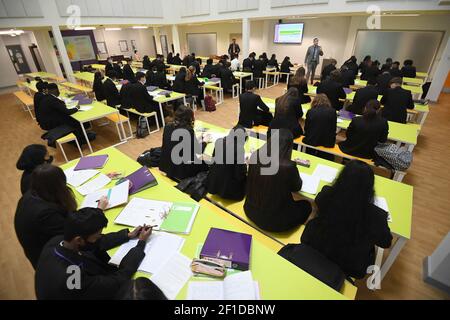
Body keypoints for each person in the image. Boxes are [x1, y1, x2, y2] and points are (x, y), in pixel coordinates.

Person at [35, 207, 153, 299]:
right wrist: (141, 244)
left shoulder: (58, 241)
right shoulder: (73, 278)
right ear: (79, 240)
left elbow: (99, 242)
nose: (98, 238)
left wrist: (128, 235)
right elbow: (117, 281)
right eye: (96, 236)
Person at [301, 160, 393, 279]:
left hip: (316, 245)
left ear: (341, 178)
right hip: (350, 265)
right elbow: (386, 242)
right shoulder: (376, 215)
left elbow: (318, 201)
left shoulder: (326, 194)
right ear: (369, 187)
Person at [244, 129, 312, 232]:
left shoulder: (255, 155)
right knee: (307, 205)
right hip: (275, 223)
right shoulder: (288, 166)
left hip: (250, 210)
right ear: (289, 147)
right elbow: (297, 187)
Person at [15, 164, 77, 269]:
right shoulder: (46, 214)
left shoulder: (32, 194)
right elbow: (73, 233)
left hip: (43, 249)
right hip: (53, 261)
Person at [159, 105, 209, 180]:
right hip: (182, 170)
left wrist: (196, 139)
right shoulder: (188, 130)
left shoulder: (168, 126)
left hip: (166, 166)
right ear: (190, 118)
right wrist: (205, 142)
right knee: (206, 164)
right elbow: (197, 151)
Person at [207, 125, 248, 201]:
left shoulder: (220, 141)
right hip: (226, 190)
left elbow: (213, 160)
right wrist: (245, 165)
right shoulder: (239, 149)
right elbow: (239, 175)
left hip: (213, 182)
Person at [303, 94, 337, 160]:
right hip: (327, 141)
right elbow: (333, 128)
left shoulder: (310, 111)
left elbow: (306, 127)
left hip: (311, 139)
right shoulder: (333, 111)